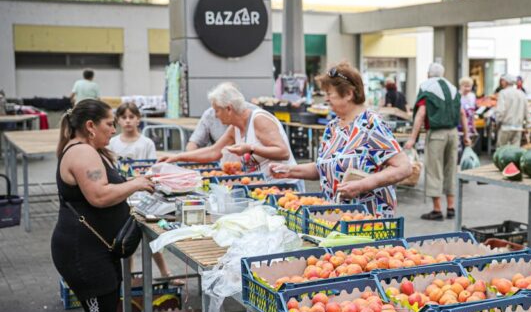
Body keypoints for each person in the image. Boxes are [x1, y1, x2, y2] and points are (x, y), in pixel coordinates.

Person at [50, 99, 154, 312]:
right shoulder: (81, 152)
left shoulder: (90, 149)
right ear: (90, 126)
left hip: (94, 248)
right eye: (110, 123)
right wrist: (136, 184)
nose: (115, 127)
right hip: (81, 251)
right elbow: (98, 196)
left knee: (107, 310)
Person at [271, 63, 411, 216]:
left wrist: (363, 185)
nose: (326, 99)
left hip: (367, 221)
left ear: (349, 94)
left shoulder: (370, 124)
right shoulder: (333, 127)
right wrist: (290, 171)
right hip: (335, 216)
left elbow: (403, 167)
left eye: (329, 94)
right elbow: (324, 167)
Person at [161, 83, 298, 183]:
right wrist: (178, 157)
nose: (215, 115)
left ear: (229, 109)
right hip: (263, 186)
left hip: (285, 186)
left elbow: (283, 152)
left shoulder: (259, 119)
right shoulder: (235, 127)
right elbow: (213, 152)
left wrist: (250, 148)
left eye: (217, 110)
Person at [108, 102, 181, 286]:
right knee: (126, 236)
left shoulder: (146, 143)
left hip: (144, 195)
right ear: (118, 120)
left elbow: (151, 168)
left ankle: (165, 272)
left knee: (150, 237)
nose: (127, 121)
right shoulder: (113, 143)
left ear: (138, 119)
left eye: (131, 117)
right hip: (123, 195)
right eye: (124, 117)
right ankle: (128, 278)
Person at [404, 63, 471, 221]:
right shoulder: (453, 88)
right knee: (450, 169)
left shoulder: (427, 87)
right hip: (454, 134)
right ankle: (451, 207)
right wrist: (466, 135)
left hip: (437, 134)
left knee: (434, 170)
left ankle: (437, 210)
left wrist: (413, 138)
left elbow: (421, 113)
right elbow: (462, 113)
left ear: (428, 74)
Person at [495, 73, 531, 147]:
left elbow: (500, 111)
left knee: (502, 151)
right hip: (518, 128)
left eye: (502, 80)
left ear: (506, 82)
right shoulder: (522, 94)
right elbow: (527, 112)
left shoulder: (503, 93)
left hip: (505, 127)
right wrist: (528, 126)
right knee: (514, 152)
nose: (501, 82)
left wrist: (497, 122)